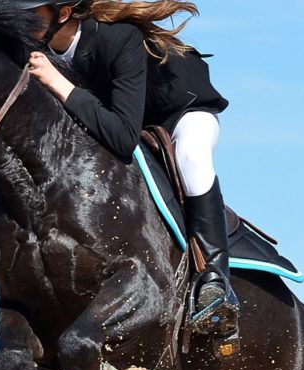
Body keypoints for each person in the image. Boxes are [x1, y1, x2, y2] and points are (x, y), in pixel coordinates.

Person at [15, 0, 239, 335]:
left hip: (178, 112)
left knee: (192, 156)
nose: (19, 21)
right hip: (117, 115)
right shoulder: (35, 45)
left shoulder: (118, 37)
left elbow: (122, 137)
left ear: (62, 14)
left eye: (30, 14)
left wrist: (60, 85)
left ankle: (215, 284)